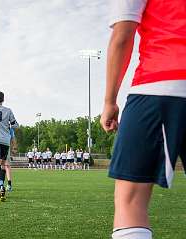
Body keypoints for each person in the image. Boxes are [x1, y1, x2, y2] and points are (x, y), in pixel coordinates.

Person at [100, 0, 186, 238]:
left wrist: (109, 101)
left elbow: (123, 34)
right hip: (165, 85)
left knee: (131, 199)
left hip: (161, 83)